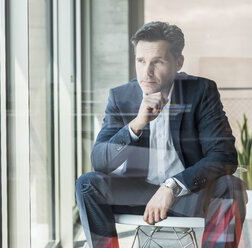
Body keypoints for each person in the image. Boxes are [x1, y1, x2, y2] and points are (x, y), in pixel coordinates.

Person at [76, 21, 247, 248]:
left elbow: (223, 156)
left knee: (231, 186)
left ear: (178, 63)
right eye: (141, 61)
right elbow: (100, 161)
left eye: (157, 62)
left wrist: (171, 186)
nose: (146, 72)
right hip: (138, 193)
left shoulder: (201, 91)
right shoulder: (121, 97)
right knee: (88, 184)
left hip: (188, 194)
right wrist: (136, 124)